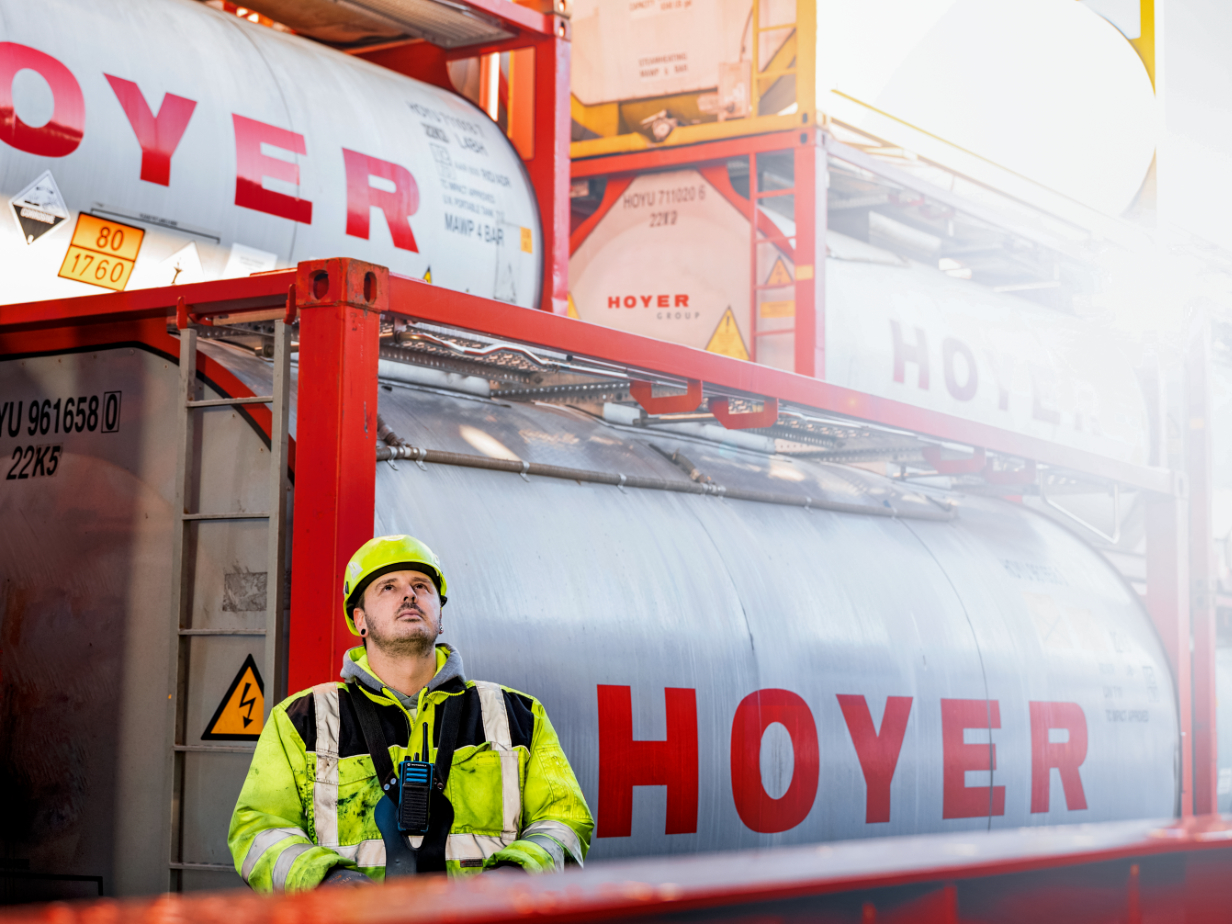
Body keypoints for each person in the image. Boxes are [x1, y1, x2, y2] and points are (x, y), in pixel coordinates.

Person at [228, 535, 593, 892]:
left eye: (421, 586)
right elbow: (258, 831)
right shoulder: (301, 720)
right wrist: (328, 882)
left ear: (440, 615)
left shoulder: (518, 716)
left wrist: (512, 878)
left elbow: (564, 821)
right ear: (359, 619)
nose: (409, 594)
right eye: (388, 587)